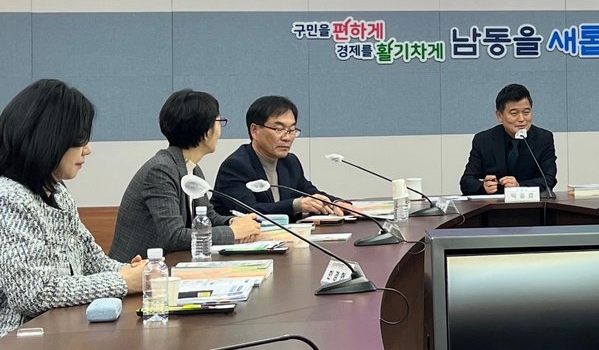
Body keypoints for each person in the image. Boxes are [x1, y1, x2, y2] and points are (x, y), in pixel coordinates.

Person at [0, 79, 146, 336]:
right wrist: (122, 281)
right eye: (79, 139)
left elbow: (92, 261)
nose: (88, 149)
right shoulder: (8, 197)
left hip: (63, 331)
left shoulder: (58, 193)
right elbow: (33, 293)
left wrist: (133, 272)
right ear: (47, 138)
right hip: (20, 338)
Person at [109, 90, 260, 262]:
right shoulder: (161, 170)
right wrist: (232, 232)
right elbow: (174, 236)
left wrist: (235, 222)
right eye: (219, 122)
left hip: (171, 265)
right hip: (139, 271)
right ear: (205, 130)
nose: (220, 130)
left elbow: (208, 216)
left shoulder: (192, 168)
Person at [213, 96, 344, 219]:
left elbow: (310, 193)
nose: (287, 137)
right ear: (254, 131)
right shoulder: (236, 166)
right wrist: (296, 205)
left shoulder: (290, 162)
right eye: (278, 129)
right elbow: (249, 210)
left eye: (291, 130)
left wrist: (336, 203)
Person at [460, 84, 558, 196]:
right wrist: (483, 187)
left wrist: (519, 186)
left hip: (530, 204)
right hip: (494, 205)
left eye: (526, 112)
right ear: (499, 116)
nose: (521, 119)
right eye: (514, 113)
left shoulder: (543, 138)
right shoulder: (483, 140)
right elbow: (466, 182)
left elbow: (549, 179)